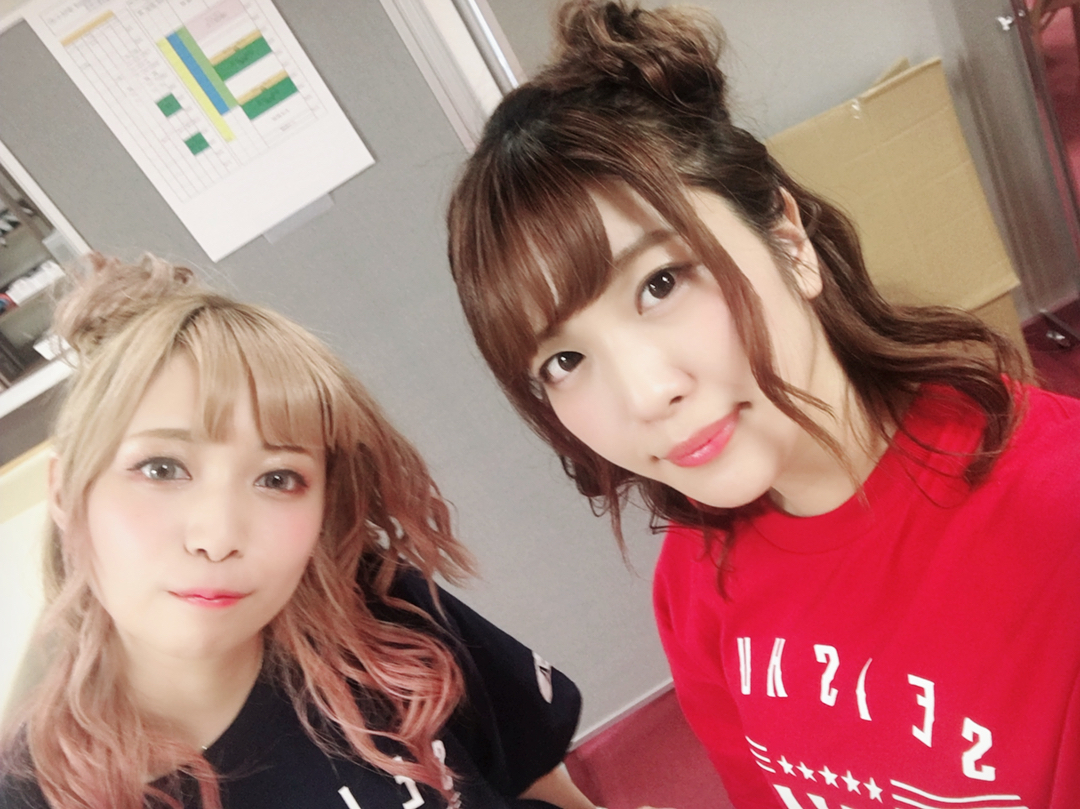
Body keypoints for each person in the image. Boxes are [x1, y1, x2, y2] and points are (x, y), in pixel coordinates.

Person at [446, 2, 1080, 807]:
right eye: (565, 360)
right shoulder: (693, 578)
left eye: (662, 283)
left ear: (787, 238)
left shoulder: (1056, 522)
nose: (648, 394)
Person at [0, 254, 598, 809]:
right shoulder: (32, 791)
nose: (218, 538)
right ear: (66, 492)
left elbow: (540, 790)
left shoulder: (385, 618)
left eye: (278, 478)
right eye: (161, 469)